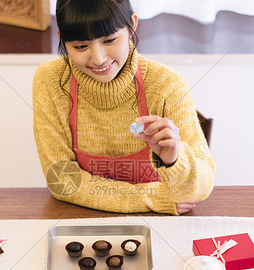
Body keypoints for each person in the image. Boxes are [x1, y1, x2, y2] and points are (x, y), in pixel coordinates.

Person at [33, 0, 215, 215]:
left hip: (159, 223)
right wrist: (152, 198)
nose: (99, 59)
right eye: (81, 46)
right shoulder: (51, 80)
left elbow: (200, 188)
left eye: (110, 40)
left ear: (132, 25)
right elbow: (62, 180)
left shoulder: (167, 85)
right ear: (62, 40)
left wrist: (174, 160)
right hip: (88, 217)